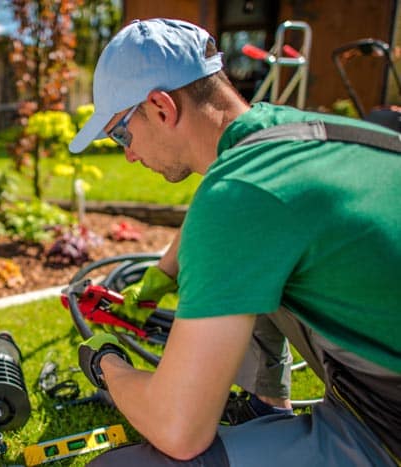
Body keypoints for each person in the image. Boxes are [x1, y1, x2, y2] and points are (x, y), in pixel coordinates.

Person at [69, 18, 401, 466]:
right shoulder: (284, 134)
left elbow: (177, 431)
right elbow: (241, 219)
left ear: (162, 107)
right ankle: (267, 409)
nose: (127, 153)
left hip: (384, 424)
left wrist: (107, 365)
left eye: (121, 133)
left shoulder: (239, 196)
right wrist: (161, 277)